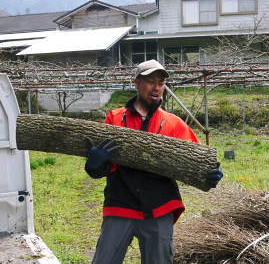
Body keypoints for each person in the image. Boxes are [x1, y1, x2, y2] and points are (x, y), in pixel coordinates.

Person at [85, 59, 223, 264]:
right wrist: (93, 166)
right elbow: (103, 167)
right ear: (136, 83)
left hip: (160, 207)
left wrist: (208, 175)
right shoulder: (115, 119)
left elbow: (198, 161)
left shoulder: (174, 124)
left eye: (160, 83)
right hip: (121, 204)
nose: (156, 88)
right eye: (150, 81)